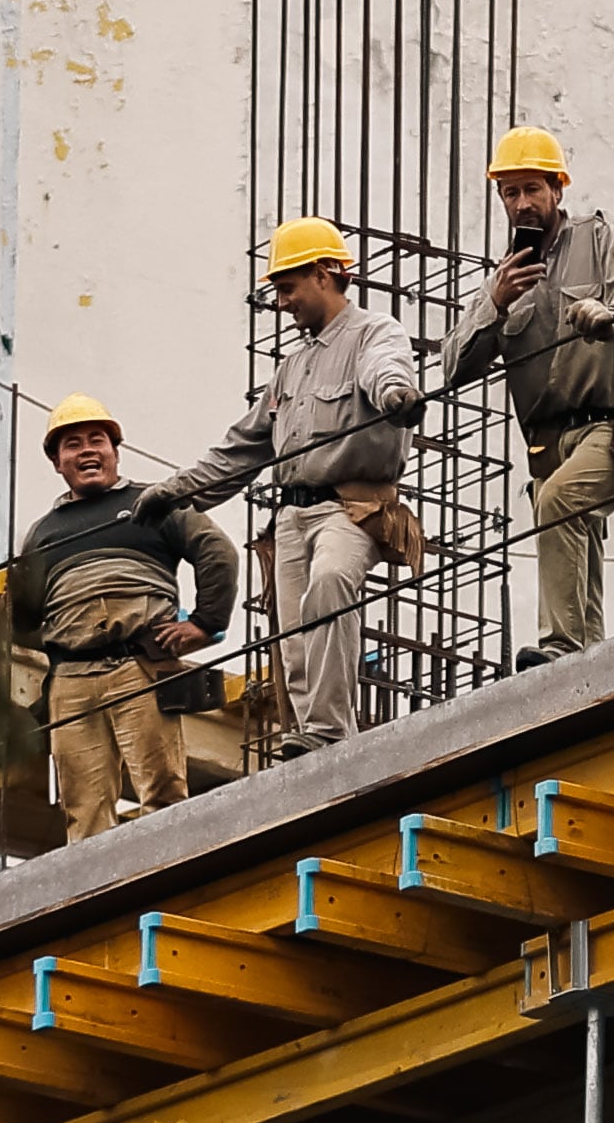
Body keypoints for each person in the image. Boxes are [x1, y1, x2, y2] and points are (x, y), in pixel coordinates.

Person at [135, 218, 424, 759]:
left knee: (332, 583)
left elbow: (387, 372)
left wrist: (395, 396)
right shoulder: (291, 369)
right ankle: (313, 741)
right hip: (292, 517)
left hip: (350, 507)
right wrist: (173, 492)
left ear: (324, 274)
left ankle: (331, 732)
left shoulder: (374, 333)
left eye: (287, 288)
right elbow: (241, 449)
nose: (281, 303)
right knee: (292, 636)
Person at [444, 126, 614, 669]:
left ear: (557, 189)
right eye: (511, 193)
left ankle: (562, 649)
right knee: (572, 525)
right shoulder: (502, 279)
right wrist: (493, 304)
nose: (522, 204)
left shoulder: (600, 237)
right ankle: (590, 663)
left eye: (532, 190)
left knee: (560, 502)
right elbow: (452, 367)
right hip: (549, 442)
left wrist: (606, 314)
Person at [9, 394, 241, 840]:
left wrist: (205, 623)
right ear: (57, 462)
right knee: (84, 809)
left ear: (116, 451)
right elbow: (23, 615)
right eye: (73, 444)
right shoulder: (43, 533)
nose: (88, 450)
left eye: (98, 439)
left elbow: (217, 552)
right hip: (71, 680)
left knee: (162, 792)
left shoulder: (153, 504)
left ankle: (167, 888)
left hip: (139, 665)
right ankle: (100, 902)